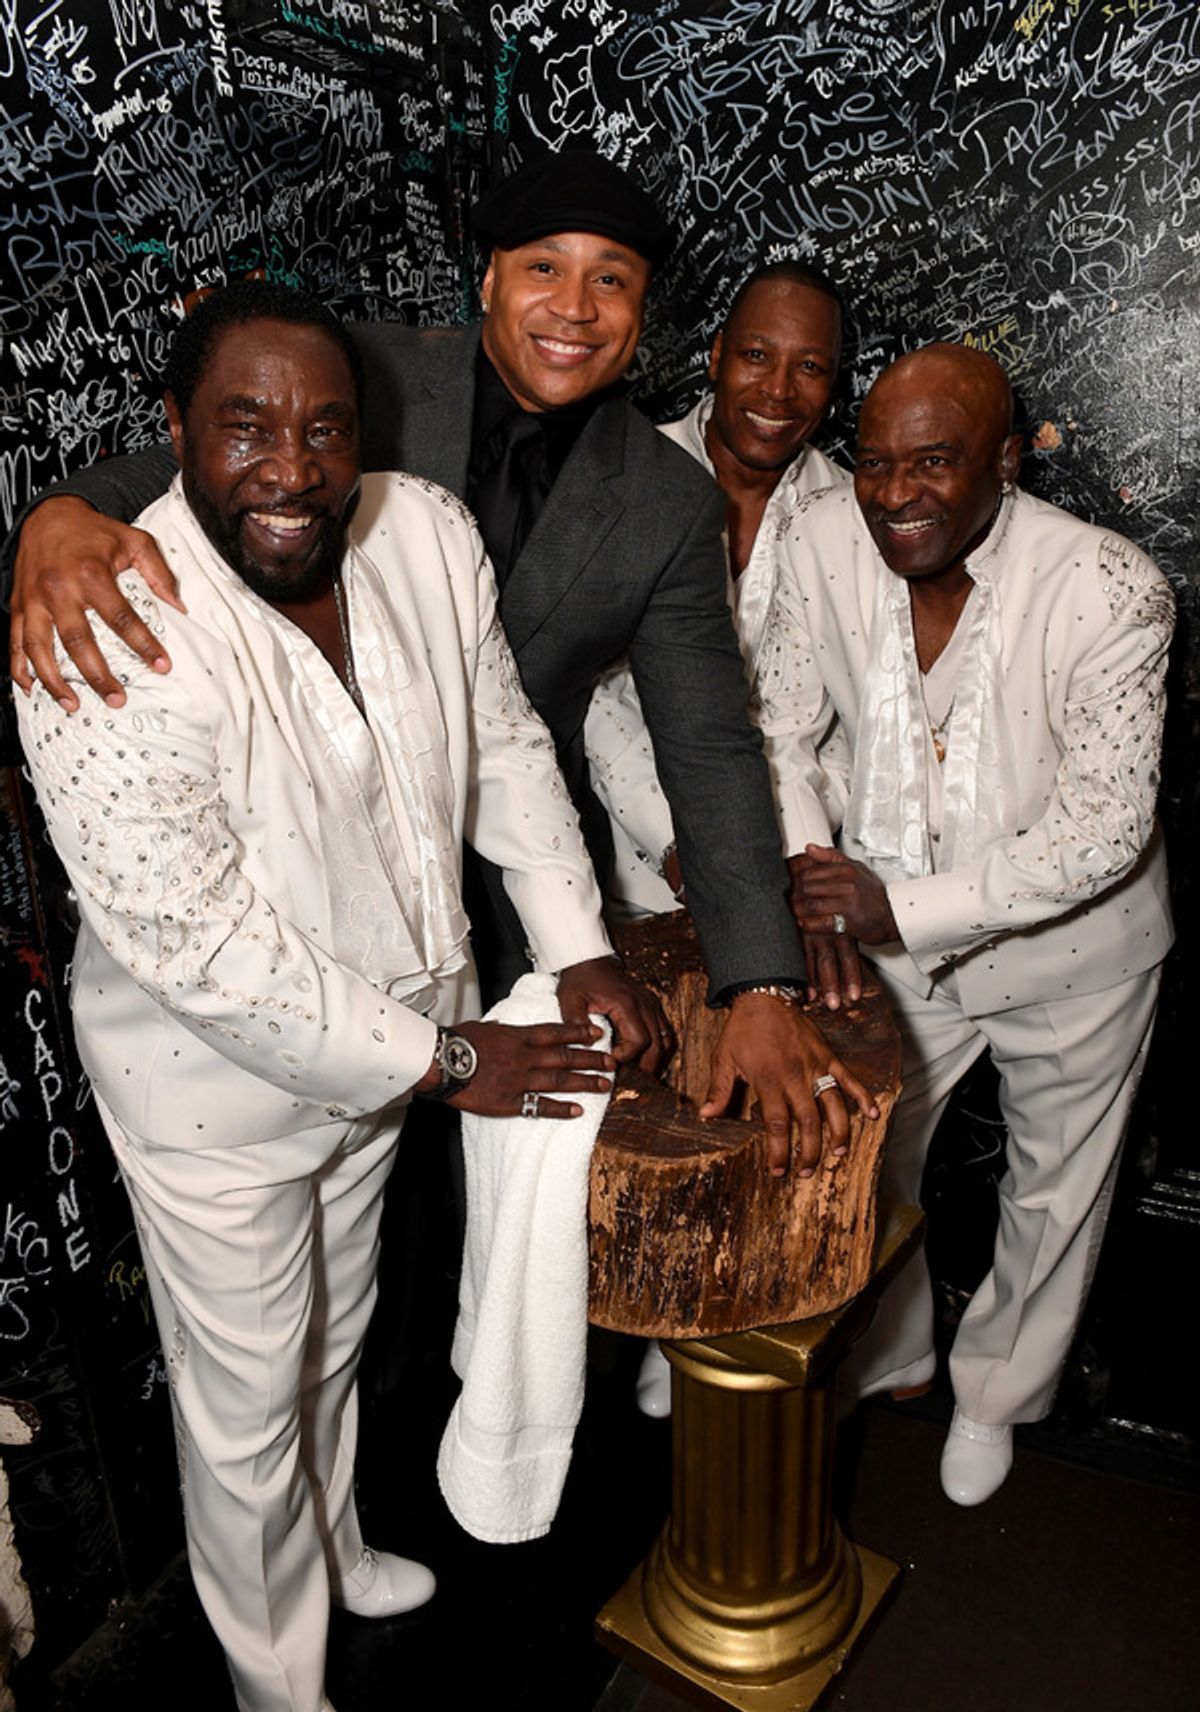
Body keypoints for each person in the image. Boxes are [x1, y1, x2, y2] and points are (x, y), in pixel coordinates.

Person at [13, 280, 667, 1712]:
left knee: (338, 1331)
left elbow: (498, 741)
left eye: (323, 426)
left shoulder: (422, 535)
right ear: (174, 429)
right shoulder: (107, 630)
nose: (292, 466)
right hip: (213, 1098)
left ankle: (336, 1545)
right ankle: (276, 1679)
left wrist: (583, 939)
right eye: (244, 426)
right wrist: (449, 1062)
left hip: (400, 1040)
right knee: (245, 1400)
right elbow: (204, 952)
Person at [7, 151, 878, 1181]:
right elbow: (195, 457)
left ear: (645, 316)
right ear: (490, 280)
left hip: (515, 889)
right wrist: (55, 518)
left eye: (612, 280)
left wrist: (758, 985)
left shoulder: (668, 500)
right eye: (545, 268)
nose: (576, 306)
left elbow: (710, 743)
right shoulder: (360, 377)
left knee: (472, 1202)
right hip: (303, 888)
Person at [778, 343, 1174, 1503]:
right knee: (871, 1156)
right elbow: (782, 729)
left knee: (1055, 1188)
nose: (896, 493)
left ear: (1006, 460)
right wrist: (819, 872)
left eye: (935, 462)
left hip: (1077, 952)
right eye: (876, 463)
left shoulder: (1111, 585)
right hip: (883, 941)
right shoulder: (818, 546)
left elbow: (1105, 825)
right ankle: (894, 1356)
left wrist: (896, 904)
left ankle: (995, 1393)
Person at [580, 260, 858, 1415]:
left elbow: (794, 727)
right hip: (638, 849)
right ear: (713, 355)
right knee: (667, 1098)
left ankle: (727, 1317)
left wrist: (774, 881)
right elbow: (592, 697)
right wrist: (685, 852)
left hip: (783, 847)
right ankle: (653, 1312)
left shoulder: (843, 508)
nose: (777, 388)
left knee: (767, 1093)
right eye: (757, 354)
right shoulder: (625, 473)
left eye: (808, 367)